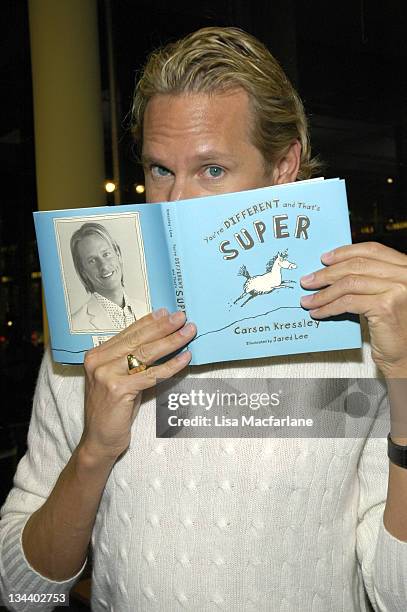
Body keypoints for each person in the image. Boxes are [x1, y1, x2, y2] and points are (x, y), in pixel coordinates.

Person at [1, 26, 407, 612]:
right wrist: (94, 451)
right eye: (161, 170)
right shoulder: (95, 344)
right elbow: (22, 594)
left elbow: (394, 596)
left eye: (212, 169)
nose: (177, 202)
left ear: (283, 167)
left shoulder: (360, 334)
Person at [69, 222, 147, 332]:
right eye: (92, 261)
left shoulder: (146, 310)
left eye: (106, 254)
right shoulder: (74, 325)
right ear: (83, 272)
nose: (104, 266)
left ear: (118, 254)